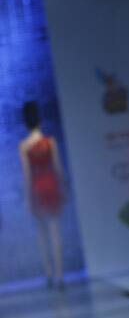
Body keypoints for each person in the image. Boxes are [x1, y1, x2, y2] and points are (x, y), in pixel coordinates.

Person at [18, 101, 66, 289]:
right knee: (55, 232)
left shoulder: (24, 147)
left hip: (37, 188)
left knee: (42, 234)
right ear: (40, 119)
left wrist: (28, 198)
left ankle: (48, 273)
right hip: (51, 186)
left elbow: (27, 175)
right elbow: (58, 169)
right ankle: (60, 275)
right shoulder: (50, 142)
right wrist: (63, 188)